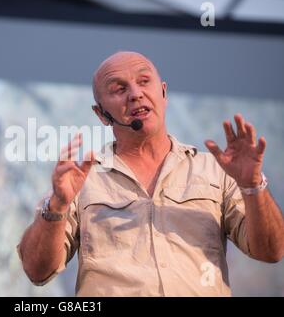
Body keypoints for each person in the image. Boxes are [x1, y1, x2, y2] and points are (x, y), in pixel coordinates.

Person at [17, 51, 284, 296]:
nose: (135, 94)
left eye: (144, 82)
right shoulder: (80, 179)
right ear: (101, 114)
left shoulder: (215, 170)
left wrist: (252, 186)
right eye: (118, 89)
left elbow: (271, 251)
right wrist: (58, 205)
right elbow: (37, 271)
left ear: (164, 93)